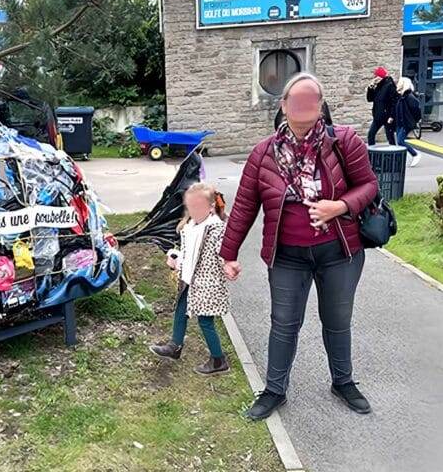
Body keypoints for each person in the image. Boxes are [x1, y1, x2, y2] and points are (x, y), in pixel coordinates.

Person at [220, 72, 378, 421]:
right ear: (283, 105)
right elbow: (245, 206)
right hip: (287, 257)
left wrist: (340, 206)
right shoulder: (263, 154)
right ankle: (275, 390)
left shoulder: (345, 141)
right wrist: (228, 254)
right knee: (284, 323)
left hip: (339, 253)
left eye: (312, 100)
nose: (304, 107)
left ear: (320, 105)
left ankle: (343, 381)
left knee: (337, 320)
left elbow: (368, 186)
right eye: (296, 100)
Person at [149, 182, 232, 376]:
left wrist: (228, 263)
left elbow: (223, 254)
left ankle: (219, 360)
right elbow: (190, 254)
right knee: (181, 311)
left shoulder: (216, 228)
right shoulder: (191, 225)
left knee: (205, 321)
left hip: (207, 283)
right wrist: (176, 257)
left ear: (211, 206)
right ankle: (174, 346)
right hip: (189, 280)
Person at [392, 77, 422, 167]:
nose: (397, 85)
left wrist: (416, 120)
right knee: (399, 142)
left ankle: (415, 154)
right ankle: (400, 162)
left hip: (405, 123)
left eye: (399, 83)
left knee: (401, 141)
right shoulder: (402, 96)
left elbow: (416, 109)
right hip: (399, 122)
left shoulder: (409, 97)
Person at [366, 66, 398, 145]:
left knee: (390, 137)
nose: (375, 78)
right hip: (378, 116)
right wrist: (370, 88)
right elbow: (370, 99)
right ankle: (372, 152)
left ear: (381, 77)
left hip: (387, 116)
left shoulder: (389, 85)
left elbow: (394, 102)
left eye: (377, 76)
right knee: (371, 134)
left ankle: (393, 153)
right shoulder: (378, 86)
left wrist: (392, 116)